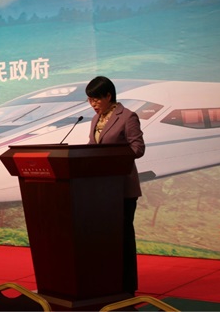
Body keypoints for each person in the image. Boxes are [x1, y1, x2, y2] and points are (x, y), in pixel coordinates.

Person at [85, 76, 145, 296]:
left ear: (108, 95)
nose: (92, 104)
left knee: (123, 236)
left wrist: (111, 158)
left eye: (96, 99)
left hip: (122, 188)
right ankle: (108, 282)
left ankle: (127, 287)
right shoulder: (96, 119)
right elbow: (93, 146)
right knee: (106, 237)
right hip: (102, 189)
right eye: (89, 100)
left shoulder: (127, 116)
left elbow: (138, 148)